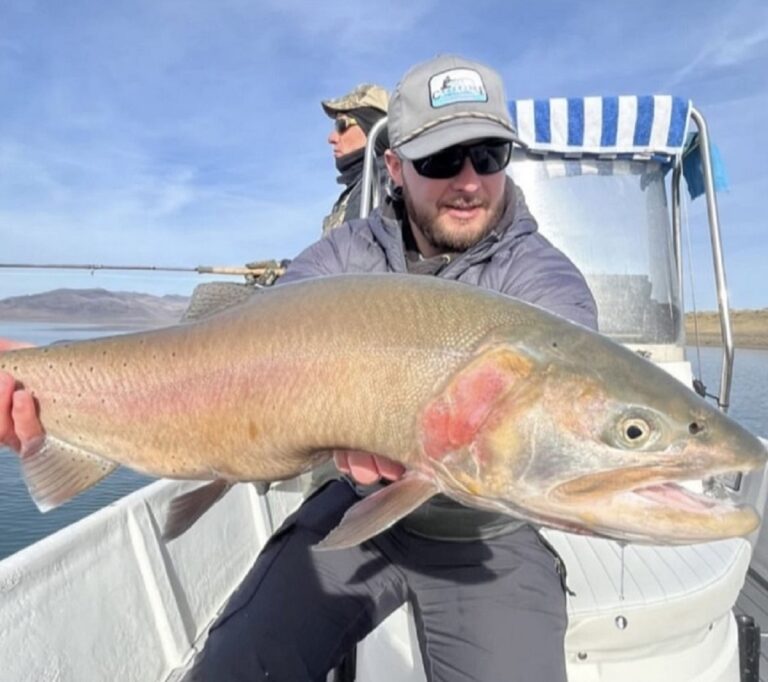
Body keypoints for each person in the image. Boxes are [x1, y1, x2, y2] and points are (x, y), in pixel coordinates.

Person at [0, 55, 597, 681]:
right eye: (442, 160)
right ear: (395, 168)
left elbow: (562, 411)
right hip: (359, 507)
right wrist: (38, 383)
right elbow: (244, 351)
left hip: (486, 535)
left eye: (489, 155)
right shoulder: (345, 254)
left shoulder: (543, 283)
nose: (470, 181)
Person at [321, 83, 389, 233]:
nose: (331, 138)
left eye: (341, 125)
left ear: (371, 127)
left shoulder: (384, 187)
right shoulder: (362, 186)